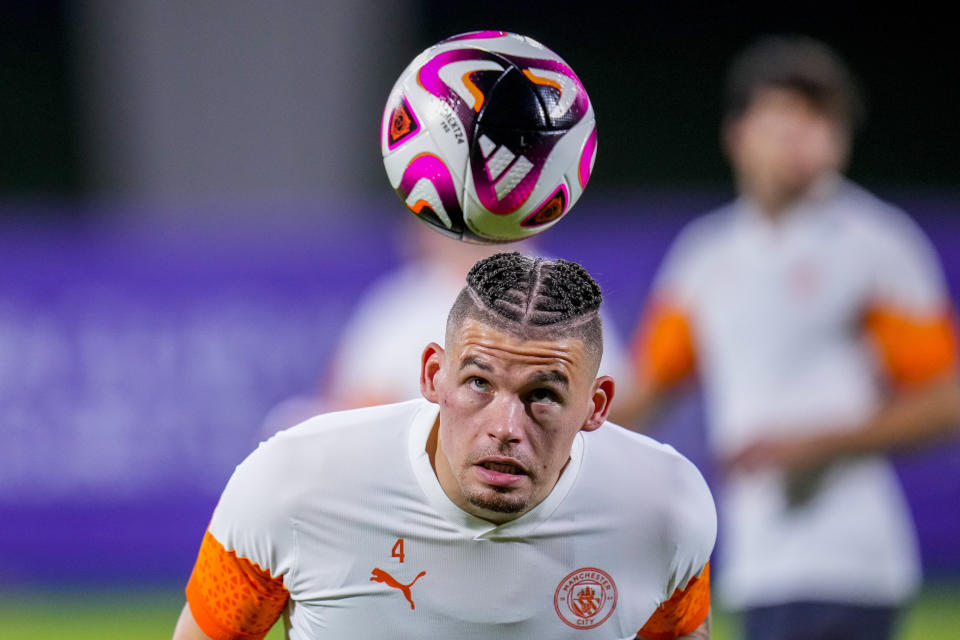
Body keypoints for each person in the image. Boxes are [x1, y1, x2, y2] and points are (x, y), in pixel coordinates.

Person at [611, 35, 960, 640]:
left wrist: (819, 443)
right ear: (738, 134)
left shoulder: (873, 242)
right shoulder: (706, 256)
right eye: (787, 115)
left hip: (854, 562)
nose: (806, 134)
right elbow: (646, 394)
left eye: (823, 118)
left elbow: (946, 399)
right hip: (759, 564)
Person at [173, 252, 716, 639]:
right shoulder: (293, 484)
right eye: (479, 383)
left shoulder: (662, 507)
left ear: (597, 407)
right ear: (434, 374)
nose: (505, 426)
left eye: (543, 395)